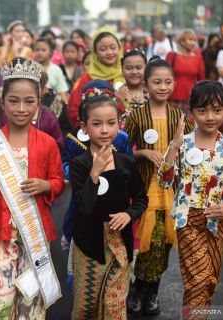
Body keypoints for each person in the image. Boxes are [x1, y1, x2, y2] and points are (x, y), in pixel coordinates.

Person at [0, 59, 65, 319]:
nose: (21, 108)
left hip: (34, 233)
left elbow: (58, 181)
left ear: (38, 102)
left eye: (29, 101)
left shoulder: (46, 143)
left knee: (31, 302)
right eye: (14, 101)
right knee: (0, 302)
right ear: (3, 102)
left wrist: (46, 185)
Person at [157, 80, 223, 311]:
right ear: (191, 112)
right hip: (187, 221)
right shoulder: (182, 145)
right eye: (202, 111)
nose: (210, 117)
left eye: (217, 110)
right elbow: (164, 180)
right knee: (199, 279)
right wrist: (173, 146)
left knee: (209, 281)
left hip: (218, 223)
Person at [125, 57, 193, 316]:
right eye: (156, 82)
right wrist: (142, 153)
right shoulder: (137, 116)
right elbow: (123, 151)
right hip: (143, 190)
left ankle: (152, 290)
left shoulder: (179, 116)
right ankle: (136, 289)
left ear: (174, 84)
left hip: (170, 192)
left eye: (167, 82)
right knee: (143, 243)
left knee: (162, 243)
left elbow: (187, 151)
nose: (162, 87)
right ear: (146, 85)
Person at [70, 94, 148, 320]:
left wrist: (128, 214)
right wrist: (94, 173)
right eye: (97, 124)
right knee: (86, 307)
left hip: (118, 243)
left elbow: (141, 199)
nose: (105, 130)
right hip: (89, 244)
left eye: (111, 123)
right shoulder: (79, 165)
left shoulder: (126, 162)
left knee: (114, 306)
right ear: (84, 127)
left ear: (119, 124)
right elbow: (83, 206)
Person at [69, 28, 125, 128]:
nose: (109, 52)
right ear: (95, 52)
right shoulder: (87, 79)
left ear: (119, 48)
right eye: (103, 49)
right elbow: (74, 110)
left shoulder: (128, 74)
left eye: (113, 47)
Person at [166, 29, 205, 119]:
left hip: (191, 99)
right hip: (173, 97)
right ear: (182, 42)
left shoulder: (198, 58)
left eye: (194, 40)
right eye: (190, 39)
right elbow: (165, 74)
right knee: (172, 124)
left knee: (189, 128)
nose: (193, 43)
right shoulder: (172, 55)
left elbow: (201, 80)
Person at [116, 49, 148, 124]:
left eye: (138, 68)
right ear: (122, 69)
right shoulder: (118, 94)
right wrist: (124, 101)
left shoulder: (152, 93)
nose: (134, 72)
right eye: (129, 68)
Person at [34, 38, 69, 104]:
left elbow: (61, 92)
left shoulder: (56, 69)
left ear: (51, 52)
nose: (39, 53)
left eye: (43, 50)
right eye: (37, 50)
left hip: (51, 105)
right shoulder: (29, 67)